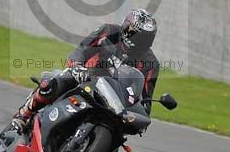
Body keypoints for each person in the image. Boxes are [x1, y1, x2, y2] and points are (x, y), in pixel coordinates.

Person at [12, 9, 160, 131]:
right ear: (127, 30)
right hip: (86, 77)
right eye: (139, 37)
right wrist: (76, 66)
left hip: (114, 99)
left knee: (118, 135)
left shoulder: (151, 63)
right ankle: (24, 113)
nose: (142, 42)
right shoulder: (109, 31)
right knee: (54, 83)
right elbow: (83, 49)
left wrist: (141, 118)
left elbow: (145, 99)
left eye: (147, 38)